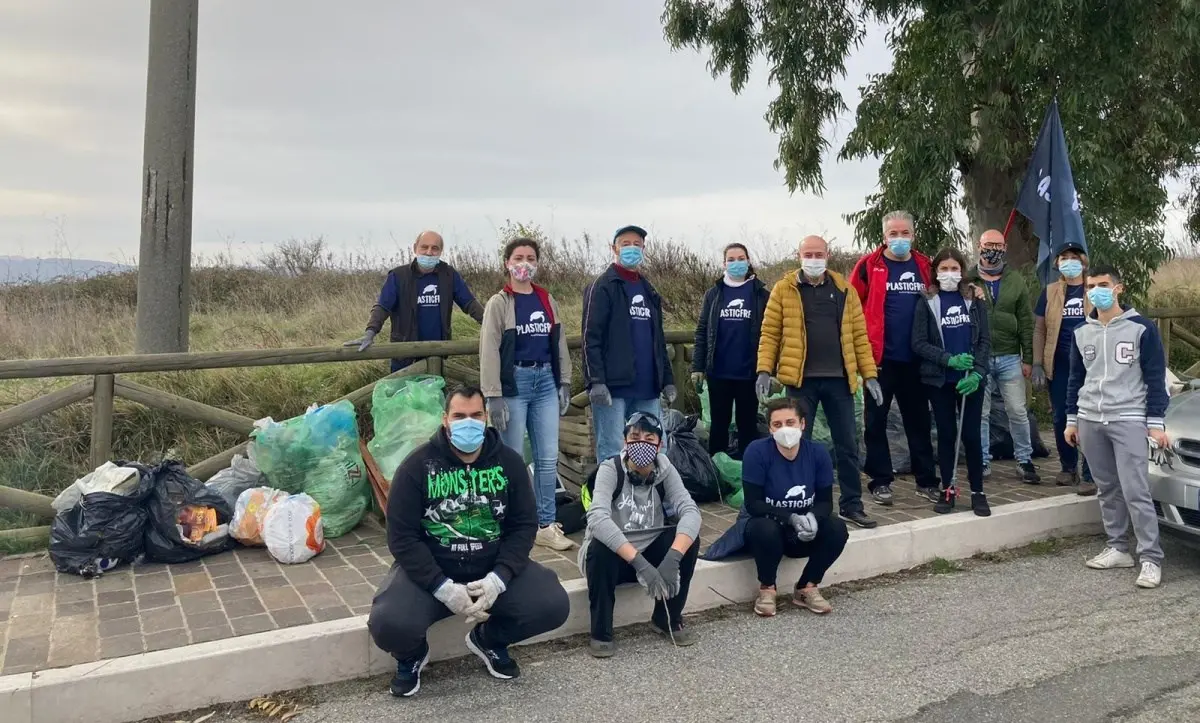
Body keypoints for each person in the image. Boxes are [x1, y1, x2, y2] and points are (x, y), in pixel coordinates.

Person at [368, 385, 570, 698]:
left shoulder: (510, 463)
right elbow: (401, 536)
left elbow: (523, 526)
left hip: (491, 567)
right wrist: (441, 587)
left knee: (552, 604)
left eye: (476, 415)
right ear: (445, 419)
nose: (468, 423)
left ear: (487, 417)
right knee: (388, 624)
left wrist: (499, 579)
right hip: (433, 571)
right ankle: (411, 655)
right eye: (459, 416)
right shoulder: (417, 466)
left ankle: (489, 640)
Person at [756, 235, 883, 529]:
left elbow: (859, 338)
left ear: (828, 255)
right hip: (801, 382)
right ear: (799, 255)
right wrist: (764, 369)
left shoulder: (844, 289)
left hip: (840, 380)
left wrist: (870, 375)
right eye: (808, 253)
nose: (814, 258)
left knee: (848, 445)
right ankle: (805, 506)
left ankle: (852, 504)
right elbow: (770, 333)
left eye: (819, 253)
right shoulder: (784, 289)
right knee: (798, 445)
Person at [1064, 265, 1168, 589]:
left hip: (1129, 418)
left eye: (1103, 284)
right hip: (1090, 419)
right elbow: (1075, 378)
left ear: (1118, 288)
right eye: (1091, 286)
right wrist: (1071, 419)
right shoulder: (1082, 331)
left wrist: (1155, 423)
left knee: (1136, 489)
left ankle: (1150, 558)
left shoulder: (1142, 328)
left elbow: (1155, 377)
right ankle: (1118, 547)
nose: (1097, 290)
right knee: (1107, 487)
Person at [479, 238, 575, 552]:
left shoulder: (546, 298)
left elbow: (558, 341)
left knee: (547, 459)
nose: (524, 263)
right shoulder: (499, 303)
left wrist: (564, 381)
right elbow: (489, 350)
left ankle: (545, 524)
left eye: (530, 257)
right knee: (512, 459)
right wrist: (493, 394)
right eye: (518, 257)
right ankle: (513, 523)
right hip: (514, 383)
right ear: (507, 263)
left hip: (546, 379)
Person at [580, 412, 702, 657]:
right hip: (616, 556)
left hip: (651, 550)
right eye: (635, 437)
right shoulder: (610, 469)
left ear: (659, 444)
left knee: (689, 539)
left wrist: (673, 558)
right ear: (625, 441)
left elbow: (691, 511)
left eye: (649, 438)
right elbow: (597, 519)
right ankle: (601, 631)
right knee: (599, 547)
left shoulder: (666, 471)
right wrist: (639, 563)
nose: (642, 443)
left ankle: (667, 617)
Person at [850, 210, 940, 504]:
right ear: (884, 236)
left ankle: (926, 481)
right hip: (879, 361)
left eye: (904, 233)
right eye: (893, 234)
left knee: (919, 422)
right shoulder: (868, 266)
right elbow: (851, 306)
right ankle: (880, 481)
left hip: (917, 360)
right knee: (875, 422)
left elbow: (946, 295)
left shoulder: (925, 266)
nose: (899, 239)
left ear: (913, 236)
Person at [742, 397, 850, 618]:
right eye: (777, 424)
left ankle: (807, 586)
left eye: (790, 422)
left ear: (802, 424)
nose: (784, 429)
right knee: (764, 529)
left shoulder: (818, 453)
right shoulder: (757, 451)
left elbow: (825, 502)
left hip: (804, 531)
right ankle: (767, 588)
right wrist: (790, 517)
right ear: (770, 428)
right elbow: (753, 504)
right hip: (769, 529)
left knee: (837, 528)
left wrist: (813, 518)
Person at [582, 225, 677, 461]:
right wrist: (596, 381)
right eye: (625, 244)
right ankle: (613, 498)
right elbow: (589, 338)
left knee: (656, 449)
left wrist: (666, 379)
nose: (631, 248)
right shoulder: (602, 286)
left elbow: (658, 339)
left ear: (644, 249)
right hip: (613, 388)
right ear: (614, 248)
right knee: (612, 450)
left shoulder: (648, 289)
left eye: (637, 244)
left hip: (647, 387)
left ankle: (654, 497)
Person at [911, 247, 992, 517]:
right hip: (941, 380)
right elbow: (918, 342)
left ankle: (978, 491)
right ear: (935, 272)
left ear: (962, 271)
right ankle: (948, 490)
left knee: (971, 435)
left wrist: (979, 372)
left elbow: (984, 341)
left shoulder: (974, 299)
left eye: (954, 268)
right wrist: (948, 360)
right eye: (943, 269)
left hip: (970, 381)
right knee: (946, 435)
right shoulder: (926, 300)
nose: (949, 274)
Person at [346, 230, 485, 372]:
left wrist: (493, 327)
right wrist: (370, 333)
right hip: (404, 357)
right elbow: (382, 307)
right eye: (424, 247)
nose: (429, 252)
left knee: (434, 394)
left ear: (440, 251)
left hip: (437, 357)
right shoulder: (398, 276)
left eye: (434, 248)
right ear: (415, 248)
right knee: (402, 394)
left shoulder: (449, 275)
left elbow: (470, 304)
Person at [970, 229, 1039, 483]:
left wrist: (1028, 358)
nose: (993, 249)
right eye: (989, 244)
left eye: (998, 245)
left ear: (1005, 247)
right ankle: (983, 461)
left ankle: (1024, 460)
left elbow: (1025, 320)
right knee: (981, 413)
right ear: (979, 246)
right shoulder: (968, 279)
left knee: (1018, 411)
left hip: (1010, 356)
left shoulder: (1015, 280)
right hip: (979, 357)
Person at [691, 243, 769, 458]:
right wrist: (697, 366)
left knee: (748, 426)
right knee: (718, 425)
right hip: (718, 373)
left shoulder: (761, 294)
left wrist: (769, 369)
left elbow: (771, 334)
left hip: (749, 373)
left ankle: (748, 473)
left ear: (748, 261)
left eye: (741, 258)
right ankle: (717, 473)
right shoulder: (714, 294)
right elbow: (702, 331)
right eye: (731, 259)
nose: (736, 263)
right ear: (724, 263)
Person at [1032, 243, 1096, 495]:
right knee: (1061, 417)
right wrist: (1037, 362)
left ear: (1083, 262)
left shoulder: (1095, 288)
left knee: (1089, 417)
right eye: (1064, 258)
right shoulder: (1049, 292)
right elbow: (1039, 329)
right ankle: (1068, 467)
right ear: (1057, 263)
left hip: (1091, 364)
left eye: (1074, 257)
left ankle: (1090, 471)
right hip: (1059, 364)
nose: (1069, 262)